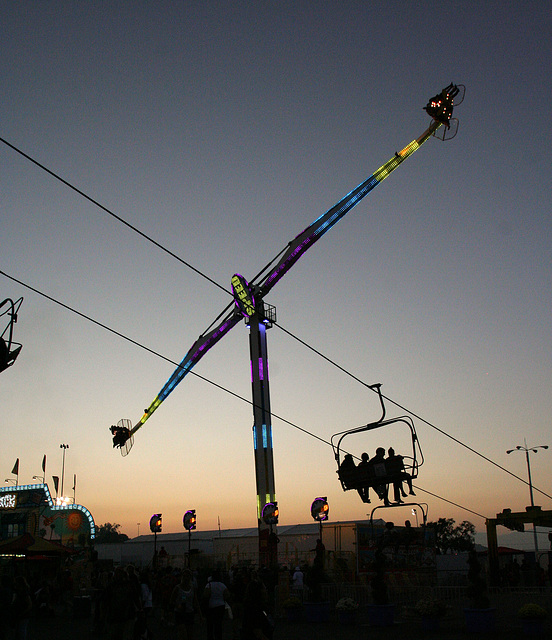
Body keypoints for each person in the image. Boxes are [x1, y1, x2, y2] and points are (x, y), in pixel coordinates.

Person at [171, 570, 202, 640]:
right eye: (184, 576)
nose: (186, 578)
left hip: (189, 613)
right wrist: (178, 606)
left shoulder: (192, 589)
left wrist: (200, 615)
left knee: (189, 634)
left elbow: (196, 602)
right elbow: (171, 600)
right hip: (180, 613)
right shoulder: (177, 588)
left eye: (187, 576)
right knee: (183, 633)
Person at [242, 571, 273, 640]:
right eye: (265, 589)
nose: (266, 591)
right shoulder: (255, 609)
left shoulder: (255, 607)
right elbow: (258, 632)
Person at [203, 570, 230, 640]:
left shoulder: (209, 585)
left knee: (210, 624)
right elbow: (227, 595)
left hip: (211, 606)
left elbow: (205, 595)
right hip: (220, 606)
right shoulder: (222, 585)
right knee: (218, 624)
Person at [11, 575, 32, 640]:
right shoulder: (18, 592)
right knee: (20, 630)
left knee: (21, 630)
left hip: (23, 613)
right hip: (20, 613)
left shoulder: (24, 592)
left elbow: (29, 604)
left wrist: (24, 611)